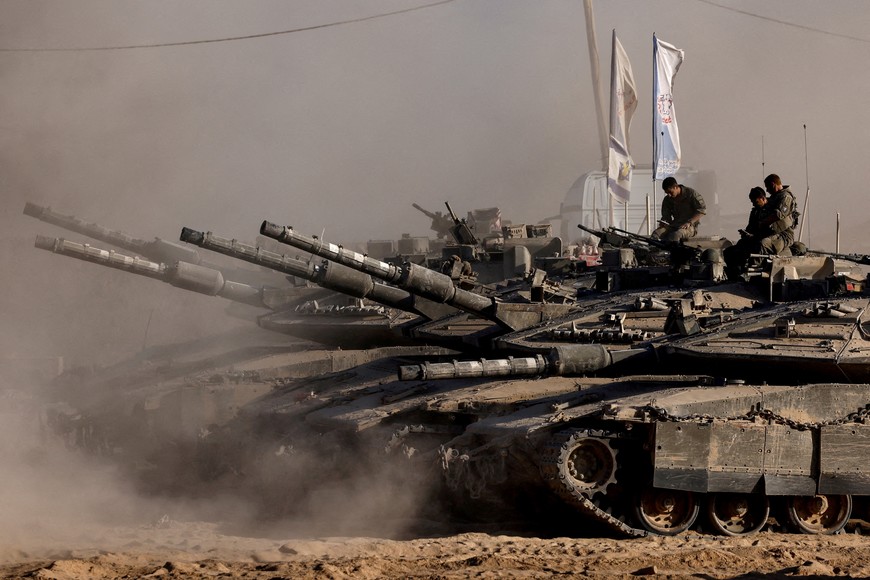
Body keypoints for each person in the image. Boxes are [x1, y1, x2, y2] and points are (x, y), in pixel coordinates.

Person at [723, 186, 769, 280]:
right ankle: (736, 277)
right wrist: (745, 233)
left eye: (756, 202)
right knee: (729, 252)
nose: (754, 204)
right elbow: (750, 227)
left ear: (763, 198)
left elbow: (769, 231)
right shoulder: (755, 212)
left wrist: (753, 236)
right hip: (751, 240)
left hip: (762, 242)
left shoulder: (770, 211)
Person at [651, 176, 706, 242]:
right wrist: (664, 222)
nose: (669, 195)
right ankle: (651, 248)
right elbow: (666, 216)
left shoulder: (691, 194)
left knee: (675, 235)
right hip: (674, 225)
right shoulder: (667, 199)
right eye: (667, 193)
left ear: (675, 187)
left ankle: (672, 248)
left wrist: (689, 222)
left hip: (690, 227)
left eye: (670, 192)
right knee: (656, 234)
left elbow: (702, 210)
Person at [757, 173, 797, 255]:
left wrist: (764, 223)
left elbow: (779, 214)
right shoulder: (774, 198)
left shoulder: (785, 197)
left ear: (773, 184)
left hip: (784, 234)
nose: (767, 190)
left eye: (767, 187)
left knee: (764, 244)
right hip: (771, 233)